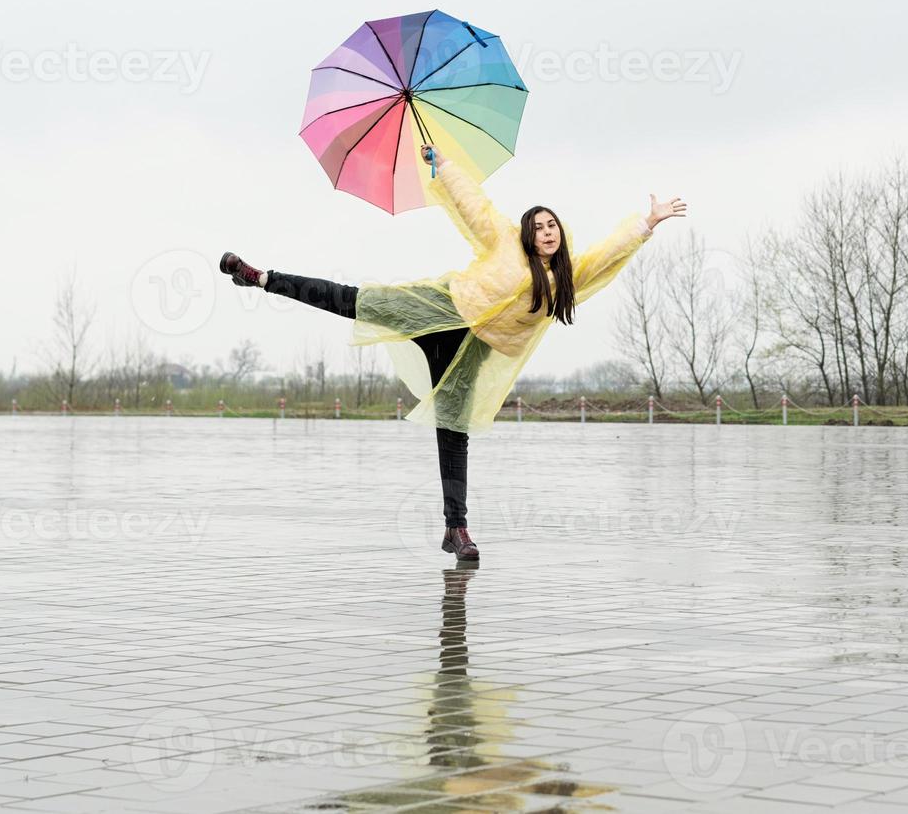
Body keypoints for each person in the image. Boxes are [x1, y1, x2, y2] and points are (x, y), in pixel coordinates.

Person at [220, 144, 685, 562]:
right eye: (538, 226)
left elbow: (608, 252)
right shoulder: (504, 241)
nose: (546, 232)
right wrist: (443, 164)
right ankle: (262, 278)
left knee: (453, 432)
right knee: (355, 300)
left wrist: (647, 222)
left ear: (560, 233)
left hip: (471, 352)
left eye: (552, 226)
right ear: (527, 232)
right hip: (438, 310)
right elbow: (473, 205)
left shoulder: (569, 276)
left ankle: (455, 528)